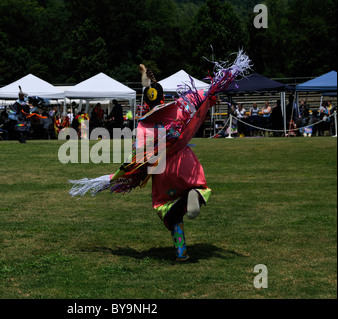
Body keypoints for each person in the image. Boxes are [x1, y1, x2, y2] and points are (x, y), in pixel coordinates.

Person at [69, 50, 252, 261]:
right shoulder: (179, 109)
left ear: (145, 103)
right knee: (198, 187)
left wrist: (124, 174)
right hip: (185, 161)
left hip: (162, 170)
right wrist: (212, 93)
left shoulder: (144, 126)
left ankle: (181, 251)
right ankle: (196, 195)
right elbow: (204, 97)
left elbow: (138, 156)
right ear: (164, 97)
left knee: (167, 208)